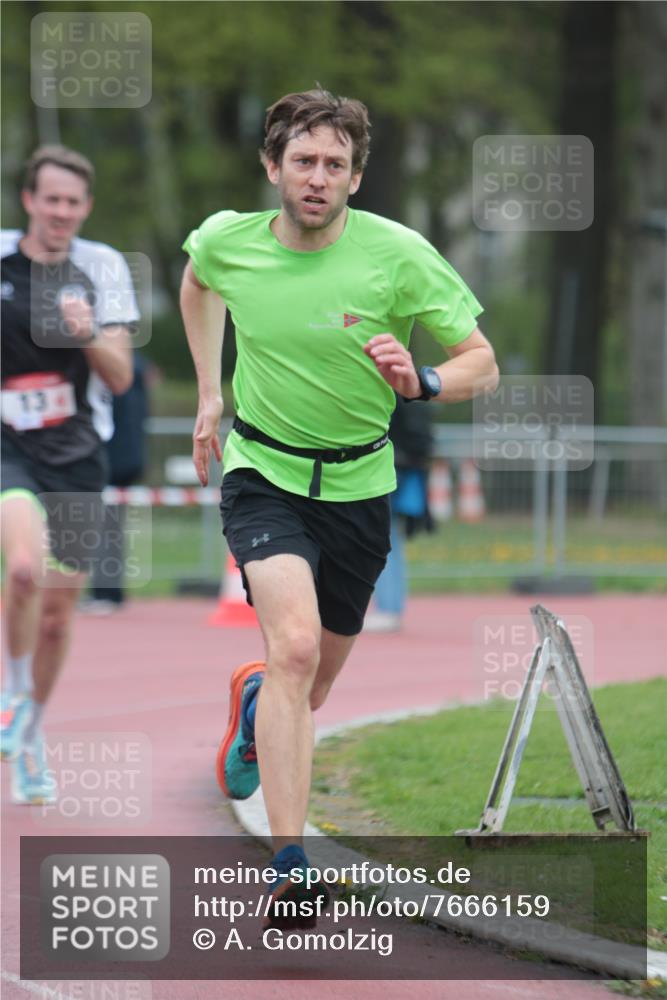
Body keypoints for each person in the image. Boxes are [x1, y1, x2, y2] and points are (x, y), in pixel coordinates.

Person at [180, 88, 498, 926]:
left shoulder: (398, 255)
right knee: (289, 649)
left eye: (333, 165)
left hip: (360, 486)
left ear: (356, 177)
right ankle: (292, 865)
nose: (316, 177)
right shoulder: (227, 240)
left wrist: (421, 380)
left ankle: (254, 712)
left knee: (308, 686)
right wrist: (211, 393)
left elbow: (482, 363)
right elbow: (196, 282)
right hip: (264, 475)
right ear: (272, 166)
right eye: (302, 161)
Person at [0, 145, 136, 803]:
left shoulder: (101, 268)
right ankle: (13, 689)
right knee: (24, 567)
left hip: (78, 454)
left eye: (72, 203)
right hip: (8, 448)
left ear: (85, 209)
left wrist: (86, 332)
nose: (60, 212)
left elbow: (120, 376)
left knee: (58, 613)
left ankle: (30, 732)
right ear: (30, 200)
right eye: (49, 199)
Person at [84, 352, 150, 614]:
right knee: (109, 528)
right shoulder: (135, 367)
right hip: (127, 457)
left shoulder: (113, 373)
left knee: (105, 529)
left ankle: (107, 594)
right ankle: (108, 592)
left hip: (114, 461)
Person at [363, 394, 434, 633]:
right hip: (406, 466)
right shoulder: (412, 387)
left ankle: (389, 608)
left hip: (391, 467)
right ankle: (390, 606)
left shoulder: (389, 390)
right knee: (390, 537)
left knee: (385, 537)